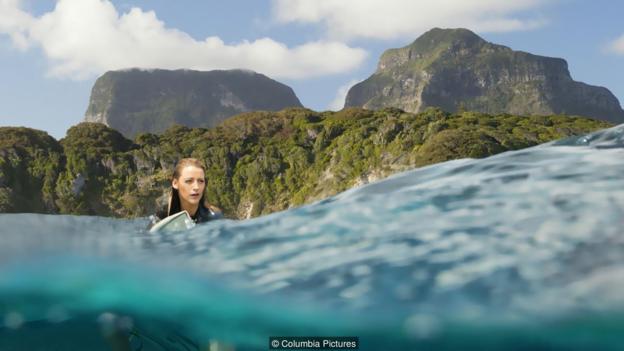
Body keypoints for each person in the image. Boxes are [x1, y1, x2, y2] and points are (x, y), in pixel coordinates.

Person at [150, 158, 223, 229]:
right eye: (189, 181)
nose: (196, 187)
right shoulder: (161, 217)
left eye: (201, 181)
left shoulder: (213, 216)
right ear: (175, 183)